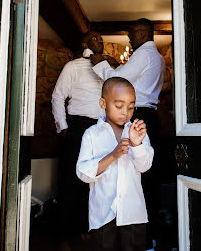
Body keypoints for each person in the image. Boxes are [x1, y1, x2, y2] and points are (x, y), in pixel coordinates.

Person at [90, 18, 165, 250]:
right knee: (146, 175)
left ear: (143, 32)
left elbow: (119, 80)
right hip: (149, 114)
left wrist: (100, 63)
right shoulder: (158, 57)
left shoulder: (144, 54)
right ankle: (148, 235)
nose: (130, 39)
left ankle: (133, 233)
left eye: (132, 34)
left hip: (139, 114)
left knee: (134, 173)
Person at [76, 77, 154, 251]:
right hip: (103, 216)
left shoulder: (138, 132)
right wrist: (112, 155)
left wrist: (137, 145)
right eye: (119, 106)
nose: (125, 112)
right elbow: (83, 173)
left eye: (131, 106)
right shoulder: (91, 135)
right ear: (103, 103)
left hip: (133, 214)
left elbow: (145, 166)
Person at [51, 31, 113, 251]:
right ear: (85, 43)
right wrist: (64, 127)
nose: (100, 41)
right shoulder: (73, 66)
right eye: (95, 38)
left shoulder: (107, 69)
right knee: (71, 180)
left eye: (102, 39)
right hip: (77, 127)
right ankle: (63, 235)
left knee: (95, 179)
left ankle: (84, 227)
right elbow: (58, 96)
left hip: (100, 128)